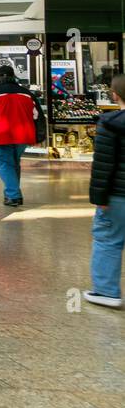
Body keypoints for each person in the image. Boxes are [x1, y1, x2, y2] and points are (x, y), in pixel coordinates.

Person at [86, 74, 125, 308]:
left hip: (118, 195)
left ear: (115, 95)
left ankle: (106, 292)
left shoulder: (110, 123)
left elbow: (103, 164)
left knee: (108, 240)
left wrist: (99, 198)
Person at [0, 64, 39, 206]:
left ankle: (13, 195)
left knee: (4, 164)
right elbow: (36, 115)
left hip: (0, 133)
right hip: (23, 134)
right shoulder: (26, 92)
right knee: (14, 163)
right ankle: (11, 193)